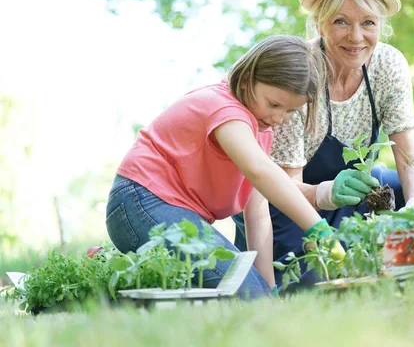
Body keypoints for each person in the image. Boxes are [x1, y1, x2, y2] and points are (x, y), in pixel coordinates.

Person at [232, 0, 414, 287]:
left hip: (350, 196)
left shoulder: (388, 65)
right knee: (304, 283)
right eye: (341, 21)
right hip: (283, 199)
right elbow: (284, 183)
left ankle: (404, 283)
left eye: (368, 22)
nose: (356, 37)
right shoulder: (300, 72)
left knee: (412, 192)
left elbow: (410, 157)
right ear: (319, 23)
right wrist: (326, 195)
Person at [105, 35, 337, 300]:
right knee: (244, 295)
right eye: (273, 104)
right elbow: (261, 170)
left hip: (170, 213)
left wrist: (270, 288)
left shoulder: (259, 132)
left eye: (290, 111)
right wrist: (319, 229)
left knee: (259, 295)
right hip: (141, 201)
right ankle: (106, 264)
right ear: (248, 78)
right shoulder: (225, 109)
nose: (278, 118)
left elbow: (258, 214)